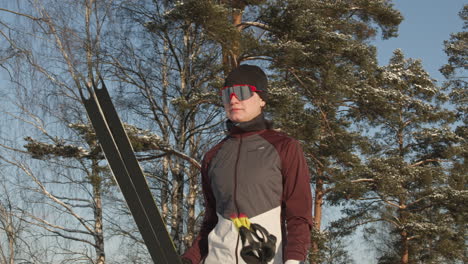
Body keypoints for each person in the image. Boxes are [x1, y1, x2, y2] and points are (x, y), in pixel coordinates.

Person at [182, 65, 313, 264]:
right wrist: (189, 259)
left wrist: (294, 260)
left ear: (262, 99)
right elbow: (210, 222)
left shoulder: (285, 148)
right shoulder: (213, 156)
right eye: (227, 94)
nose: (233, 100)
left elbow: (299, 216)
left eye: (241, 92)